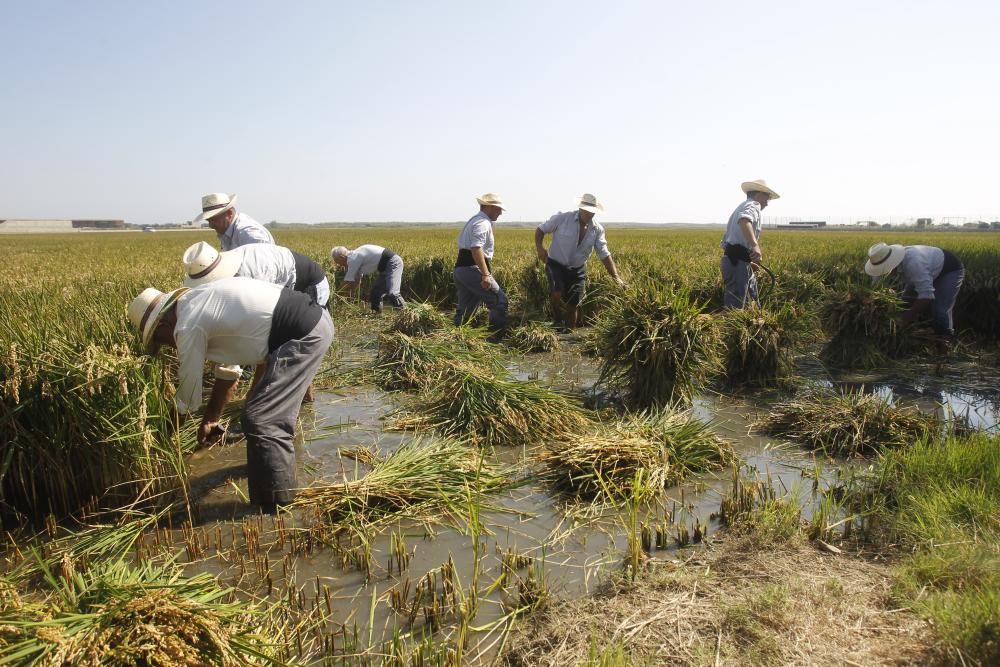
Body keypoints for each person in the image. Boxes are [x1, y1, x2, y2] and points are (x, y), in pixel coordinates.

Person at [128, 277, 333, 511]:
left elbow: (187, 396)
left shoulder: (187, 324)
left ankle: (277, 508)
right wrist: (210, 420)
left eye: (159, 341)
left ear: (161, 326)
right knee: (265, 414)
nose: (167, 346)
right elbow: (228, 371)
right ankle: (272, 472)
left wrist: (161, 438)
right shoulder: (198, 304)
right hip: (310, 323)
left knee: (262, 419)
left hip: (303, 332)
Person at [535, 193, 625, 330]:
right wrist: (540, 249)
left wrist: (616, 278)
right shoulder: (563, 218)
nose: (589, 214)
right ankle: (557, 319)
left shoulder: (597, 229)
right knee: (557, 291)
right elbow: (540, 230)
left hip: (577, 268)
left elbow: (604, 254)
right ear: (580, 208)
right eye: (587, 210)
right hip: (555, 263)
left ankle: (570, 330)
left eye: (592, 212)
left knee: (574, 302)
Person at [864, 242, 965, 340]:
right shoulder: (878, 265)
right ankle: (901, 334)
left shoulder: (913, 263)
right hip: (923, 272)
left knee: (940, 310)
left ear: (892, 264)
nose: (883, 272)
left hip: (948, 270)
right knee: (904, 303)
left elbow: (926, 296)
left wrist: (905, 319)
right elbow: (876, 290)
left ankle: (945, 342)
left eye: (884, 269)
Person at [182, 241, 330, 307]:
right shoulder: (231, 267)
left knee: (304, 337)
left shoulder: (254, 273)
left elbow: (265, 312)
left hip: (310, 285)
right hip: (285, 284)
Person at [454, 193, 508, 340]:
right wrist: (485, 274)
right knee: (499, 301)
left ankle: (457, 339)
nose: (500, 213)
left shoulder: (474, 220)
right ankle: (495, 339)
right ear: (489, 207)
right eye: (498, 209)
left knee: (466, 308)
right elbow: (476, 248)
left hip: (462, 269)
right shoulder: (482, 223)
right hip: (472, 268)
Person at [720, 179, 780, 308]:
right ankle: (731, 328)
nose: (767, 203)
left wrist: (748, 261)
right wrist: (755, 245)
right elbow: (744, 221)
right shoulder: (754, 204)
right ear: (759, 194)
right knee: (736, 308)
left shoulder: (743, 206)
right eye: (767, 198)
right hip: (736, 263)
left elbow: (733, 241)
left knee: (751, 304)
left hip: (738, 261)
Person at [329, 245, 406, 312]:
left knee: (393, 292)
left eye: (338, 262)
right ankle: (377, 315)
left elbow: (347, 282)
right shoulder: (354, 258)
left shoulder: (353, 259)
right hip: (384, 268)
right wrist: (350, 297)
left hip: (393, 263)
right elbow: (356, 281)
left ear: (342, 257)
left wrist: (336, 295)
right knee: (376, 293)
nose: (339, 265)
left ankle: (407, 314)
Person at [194, 192, 274, 251]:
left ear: (229, 213)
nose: (211, 225)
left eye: (214, 219)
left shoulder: (248, 234)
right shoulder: (227, 231)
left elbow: (262, 268)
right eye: (208, 220)